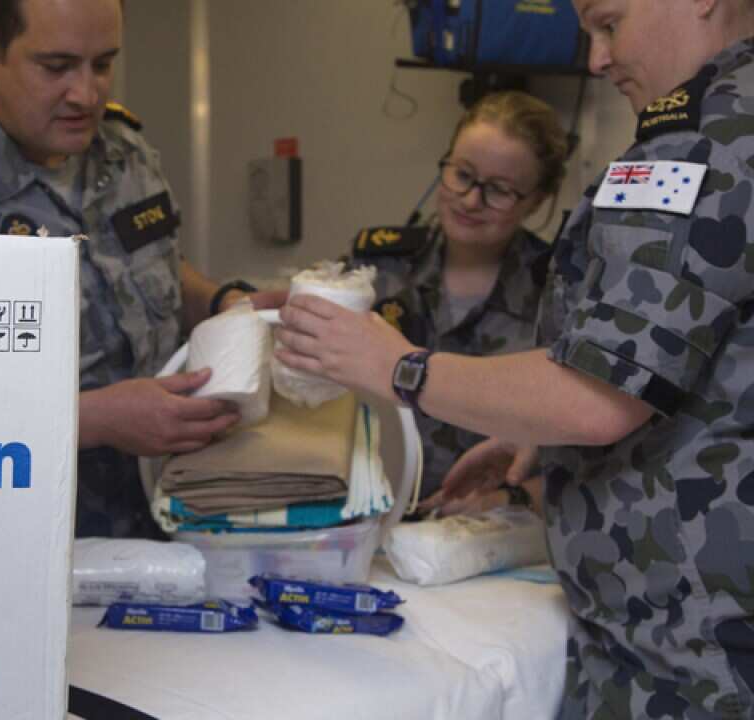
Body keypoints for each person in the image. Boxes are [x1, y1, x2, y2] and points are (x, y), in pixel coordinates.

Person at [276, 0, 754, 716]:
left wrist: (402, 368)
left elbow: (594, 398)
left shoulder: (708, 139)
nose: (595, 59)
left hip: (694, 646)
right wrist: (537, 436)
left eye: (608, 22)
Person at [0, 0, 281, 539]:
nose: (87, 94)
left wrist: (224, 304)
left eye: (102, 64)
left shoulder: (126, 154)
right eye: (56, 67)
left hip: (170, 521)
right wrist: (95, 419)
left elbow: (155, 266)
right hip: (20, 546)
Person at [350, 90, 567, 516]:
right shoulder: (378, 268)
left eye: (499, 191)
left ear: (537, 200)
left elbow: (580, 448)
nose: (471, 201)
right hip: (366, 515)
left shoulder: (558, 288)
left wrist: (512, 499)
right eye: (463, 175)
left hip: (493, 532)